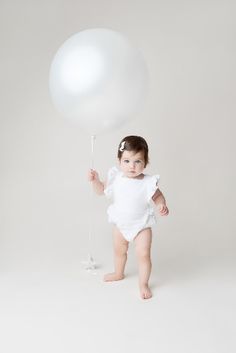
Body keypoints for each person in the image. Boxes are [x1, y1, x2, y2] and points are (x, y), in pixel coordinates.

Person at [88, 135, 169, 299]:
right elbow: (100, 191)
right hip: (120, 225)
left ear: (145, 162)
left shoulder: (147, 182)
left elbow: (158, 196)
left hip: (142, 225)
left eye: (137, 161)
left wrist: (161, 204)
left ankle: (143, 283)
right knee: (119, 251)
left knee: (143, 254)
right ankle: (119, 273)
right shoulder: (116, 178)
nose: (132, 166)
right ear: (119, 161)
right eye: (127, 161)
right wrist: (95, 181)